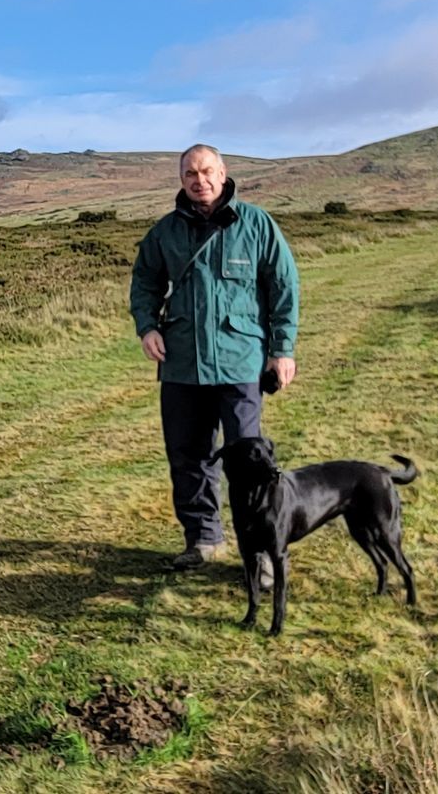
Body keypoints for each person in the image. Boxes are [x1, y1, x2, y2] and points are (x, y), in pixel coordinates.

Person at [129, 144, 299, 571]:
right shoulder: (164, 232)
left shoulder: (257, 225)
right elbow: (145, 281)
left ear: (223, 174)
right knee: (187, 455)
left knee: (249, 461)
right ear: (181, 179)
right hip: (182, 363)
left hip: (240, 360)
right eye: (190, 173)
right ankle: (202, 539)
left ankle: (259, 553)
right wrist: (147, 326)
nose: (198, 180)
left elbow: (283, 288)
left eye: (206, 171)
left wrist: (282, 350)